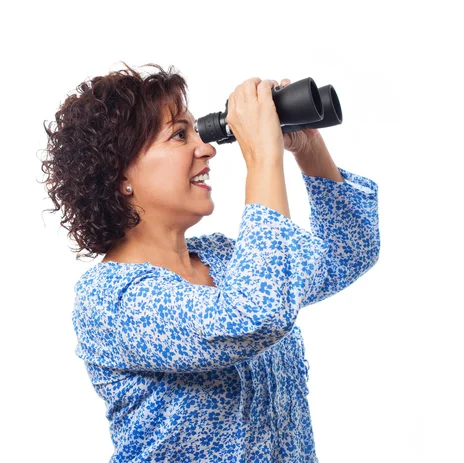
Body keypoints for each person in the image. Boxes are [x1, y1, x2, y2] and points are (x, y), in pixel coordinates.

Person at [41, 63, 380, 462]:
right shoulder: (112, 301)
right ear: (120, 175)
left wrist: (306, 147)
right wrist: (262, 156)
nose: (206, 147)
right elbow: (253, 315)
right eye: (179, 135)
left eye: (197, 132)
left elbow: (349, 251)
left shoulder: (225, 257)